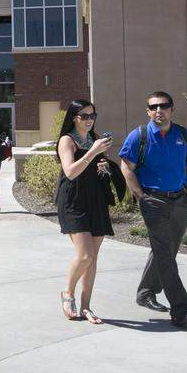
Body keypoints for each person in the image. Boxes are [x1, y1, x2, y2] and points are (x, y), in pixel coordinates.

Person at [118, 91, 187, 328]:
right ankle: (180, 310)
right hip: (153, 201)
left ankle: (145, 292)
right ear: (147, 111)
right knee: (165, 254)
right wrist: (141, 196)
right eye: (153, 107)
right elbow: (126, 167)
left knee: (167, 249)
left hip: (180, 200)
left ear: (172, 109)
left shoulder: (183, 135)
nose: (158, 111)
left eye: (163, 106)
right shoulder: (140, 136)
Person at [54, 99, 124, 324]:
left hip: (95, 199)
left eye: (92, 115)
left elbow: (90, 167)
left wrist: (100, 165)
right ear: (74, 117)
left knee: (93, 259)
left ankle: (86, 307)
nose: (89, 120)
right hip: (73, 200)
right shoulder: (67, 140)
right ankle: (68, 293)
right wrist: (92, 153)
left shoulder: (94, 138)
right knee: (84, 255)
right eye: (84, 116)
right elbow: (70, 171)